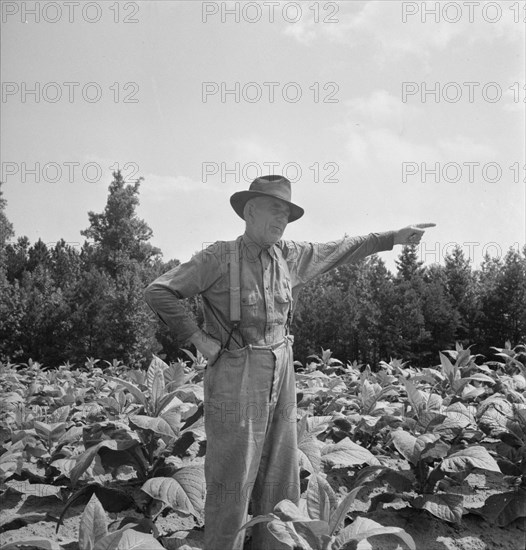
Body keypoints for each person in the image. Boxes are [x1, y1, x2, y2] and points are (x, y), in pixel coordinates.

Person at [144, 175, 435, 550]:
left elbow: (342, 247)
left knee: (281, 472)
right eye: (274, 210)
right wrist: (200, 340)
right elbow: (159, 291)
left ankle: (274, 545)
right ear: (250, 211)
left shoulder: (290, 255)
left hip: (281, 367)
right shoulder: (218, 257)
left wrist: (393, 236)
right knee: (233, 473)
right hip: (236, 369)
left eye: (287, 214)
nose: (282, 220)